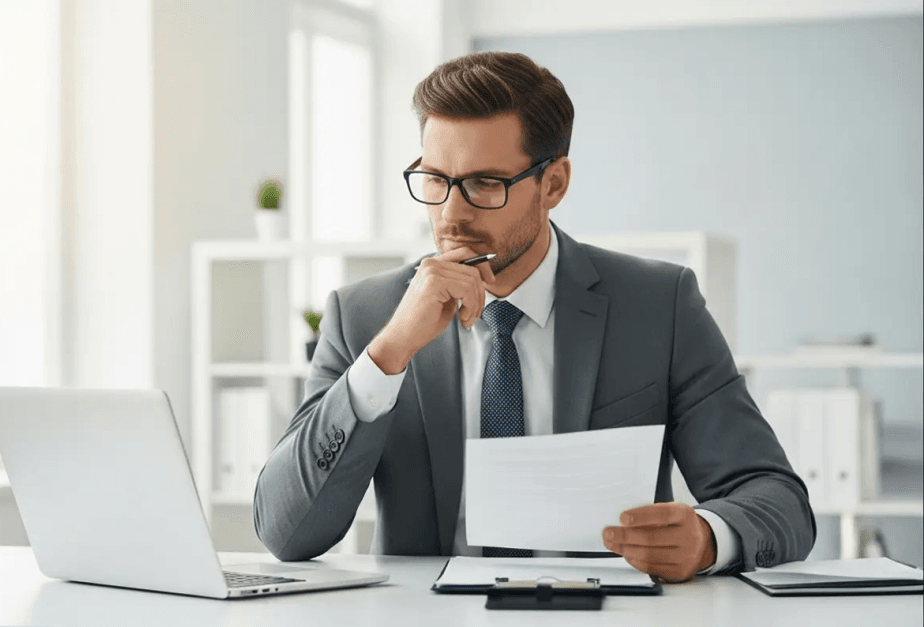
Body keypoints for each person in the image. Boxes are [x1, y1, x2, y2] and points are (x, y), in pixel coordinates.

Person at [254, 51, 815, 583]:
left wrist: (709, 538)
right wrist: (389, 353)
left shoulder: (659, 305)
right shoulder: (364, 317)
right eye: (435, 180)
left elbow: (775, 498)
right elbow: (286, 532)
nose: (450, 214)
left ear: (554, 184)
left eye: (484, 184)